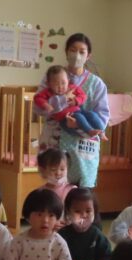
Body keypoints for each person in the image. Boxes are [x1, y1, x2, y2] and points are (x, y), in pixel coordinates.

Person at [36, 33, 109, 188]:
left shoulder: (96, 84)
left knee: (81, 193)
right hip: (56, 140)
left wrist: (80, 126)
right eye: (73, 50)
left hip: (83, 145)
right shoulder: (53, 76)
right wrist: (62, 100)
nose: (77, 55)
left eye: (82, 52)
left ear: (88, 55)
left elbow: (102, 117)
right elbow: (39, 107)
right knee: (55, 190)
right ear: (66, 52)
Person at [33, 65, 105, 137]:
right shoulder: (48, 92)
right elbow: (37, 98)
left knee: (92, 114)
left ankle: (101, 131)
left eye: (63, 83)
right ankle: (90, 131)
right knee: (79, 117)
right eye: (56, 84)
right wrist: (45, 104)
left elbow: (83, 96)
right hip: (64, 118)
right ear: (49, 84)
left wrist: (76, 101)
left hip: (78, 111)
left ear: (68, 81)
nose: (60, 87)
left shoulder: (72, 88)